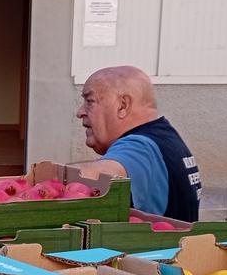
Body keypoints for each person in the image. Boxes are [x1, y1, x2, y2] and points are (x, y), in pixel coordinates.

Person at [73, 65, 201, 222]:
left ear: (122, 105)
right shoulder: (164, 138)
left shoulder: (139, 147)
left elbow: (94, 177)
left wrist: (47, 180)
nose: (80, 112)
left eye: (90, 101)